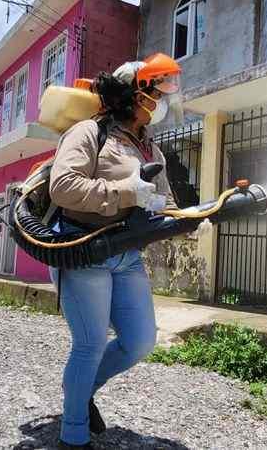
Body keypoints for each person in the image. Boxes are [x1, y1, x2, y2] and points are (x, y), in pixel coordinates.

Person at [47, 53, 183, 449]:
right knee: (89, 345)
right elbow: (63, 187)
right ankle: (72, 436)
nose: (163, 102)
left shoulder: (151, 150)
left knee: (139, 341)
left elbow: (166, 201)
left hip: (127, 254)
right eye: (158, 93)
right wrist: (127, 191)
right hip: (84, 249)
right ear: (133, 94)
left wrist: (193, 216)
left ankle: (83, 389)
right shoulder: (89, 133)